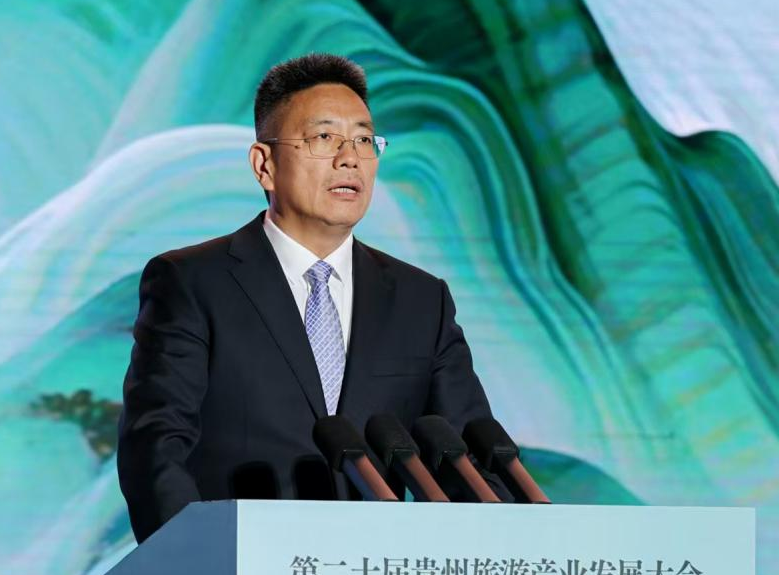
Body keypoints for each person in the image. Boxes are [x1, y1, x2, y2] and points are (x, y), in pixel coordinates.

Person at [117, 53, 505, 542]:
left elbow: (471, 459)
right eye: (324, 138)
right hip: (239, 567)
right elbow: (156, 447)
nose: (350, 158)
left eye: (364, 140)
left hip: (378, 574)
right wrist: (195, 560)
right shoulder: (192, 281)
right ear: (264, 165)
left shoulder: (421, 300)